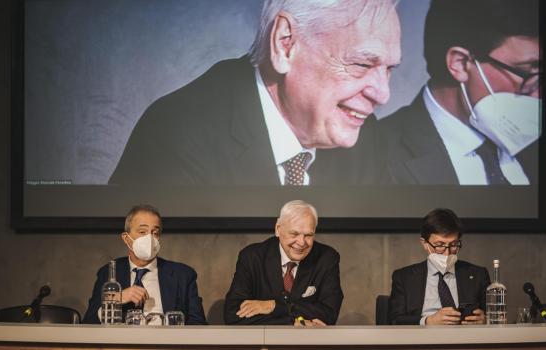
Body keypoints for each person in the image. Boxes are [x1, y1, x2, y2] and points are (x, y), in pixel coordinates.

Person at [109, 0, 401, 186]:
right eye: (362, 63)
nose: (383, 94)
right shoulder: (177, 134)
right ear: (285, 44)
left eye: (389, 69)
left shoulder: (366, 139)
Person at [380, 0, 540, 185]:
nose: (538, 94)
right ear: (460, 64)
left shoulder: (543, 147)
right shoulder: (376, 154)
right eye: (528, 72)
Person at [224, 200, 343, 325]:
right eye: (294, 234)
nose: (302, 242)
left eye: (308, 235)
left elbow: (329, 314)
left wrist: (274, 306)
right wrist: (293, 321)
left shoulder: (326, 258)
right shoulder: (252, 257)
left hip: (308, 342)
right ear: (278, 229)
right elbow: (233, 315)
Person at [83, 204, 207, 325]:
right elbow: (89, 322)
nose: (150, 238)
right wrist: (117, 299)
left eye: (155, 233)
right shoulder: (109, 272)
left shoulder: (183, 275)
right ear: (126, 239)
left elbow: (198, 323)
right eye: (142, 232)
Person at [388, 208, 490, 325]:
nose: (447, 253)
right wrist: (427, 321)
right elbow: (394, 319)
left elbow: (494, 316)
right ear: (425, 244)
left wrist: (486, 320)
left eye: (454, 245)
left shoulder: (478, 274)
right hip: (421, 339)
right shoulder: (404, 277)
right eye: (439, 245)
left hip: (466, 339)